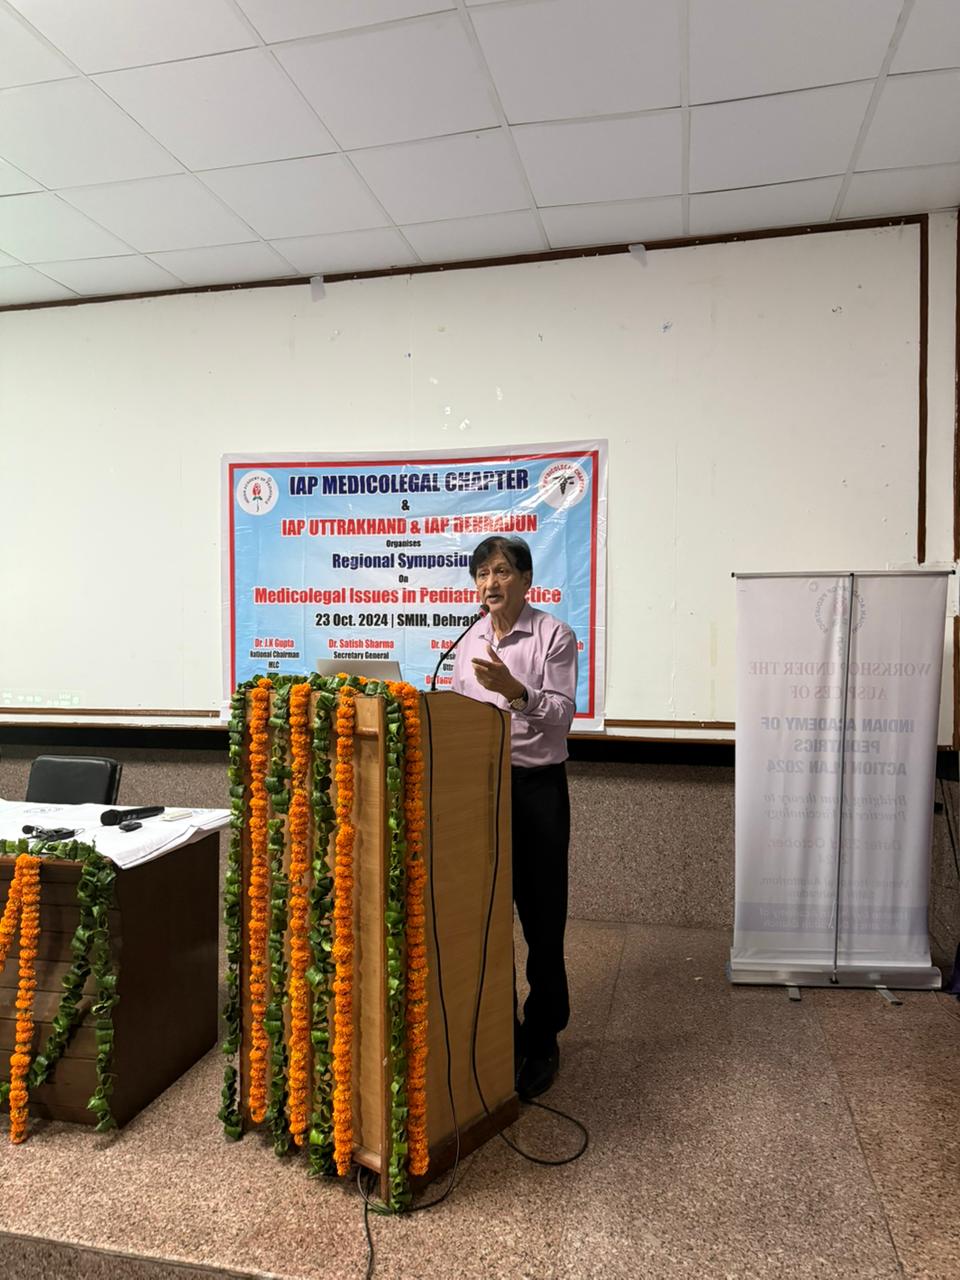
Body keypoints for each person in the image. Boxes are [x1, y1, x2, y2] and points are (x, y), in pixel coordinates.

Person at [451, 535, 577, 1100]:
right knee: (484, 914)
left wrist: (516, 692)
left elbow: (562, 716)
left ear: (526, 579)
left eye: (501, 571)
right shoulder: (469, 639)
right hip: (477, 791)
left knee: (542, 917)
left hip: (536, 788)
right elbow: (457, 713)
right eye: (481, 573)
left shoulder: (553, 635)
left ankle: (543, 1034)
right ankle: (499, 1029)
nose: (490, 583)